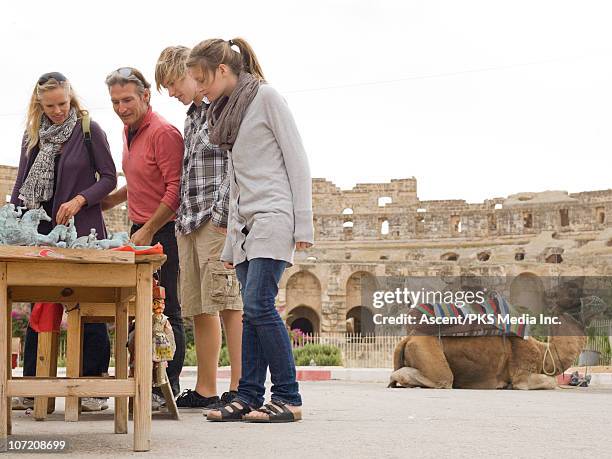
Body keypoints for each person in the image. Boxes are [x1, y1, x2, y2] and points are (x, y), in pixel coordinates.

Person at [186, 38, 314, 423]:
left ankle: (289, 397)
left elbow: (297, 159)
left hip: (274, 214)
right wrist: (229, 244)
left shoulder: (267, 98)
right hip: (244, 225)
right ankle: (249, 395)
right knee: (250, 313)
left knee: (259, 305)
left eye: (201, 78)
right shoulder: (226, 112)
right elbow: (237, 178)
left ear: (222, 70)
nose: (198, 87)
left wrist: (303, 220)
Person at [11, 72, 117, 412]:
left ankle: (94, 388)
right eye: (50, 105)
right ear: (38, 104)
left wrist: (80, 200)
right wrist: (11, 225)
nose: (58, 111)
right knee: (40, 306)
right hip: (42, 235)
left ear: (72, 98)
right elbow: (20, 188)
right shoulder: (32, 137)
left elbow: (110, 178)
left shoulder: (89, 130)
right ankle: (31, 387)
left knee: (89, 307)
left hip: (83, 231)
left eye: (63, 103)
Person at [154, 47, 243, 411]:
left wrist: (223, 217)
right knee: (200, 307)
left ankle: (240, 385)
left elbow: (234, 164)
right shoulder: (192, 117)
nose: (172, 93)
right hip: (189, 220)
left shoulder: (222, 108)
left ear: (192, 74)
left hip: (215, 220)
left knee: (228, 304)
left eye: (174, 83)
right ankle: (207, 387)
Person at [101, 67, 185, 409]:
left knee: (167, 310)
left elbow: (175, 189)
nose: (121, 107)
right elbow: (139, 182)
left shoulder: (163, 132)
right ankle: (146, 381)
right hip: (141, 228)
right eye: (115, 101)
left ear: (146, 96)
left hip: (163, 231)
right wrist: (107, 200)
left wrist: (149, 230)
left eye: (127, 100)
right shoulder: (128, 131)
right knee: (141, 308)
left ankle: (170, 386)